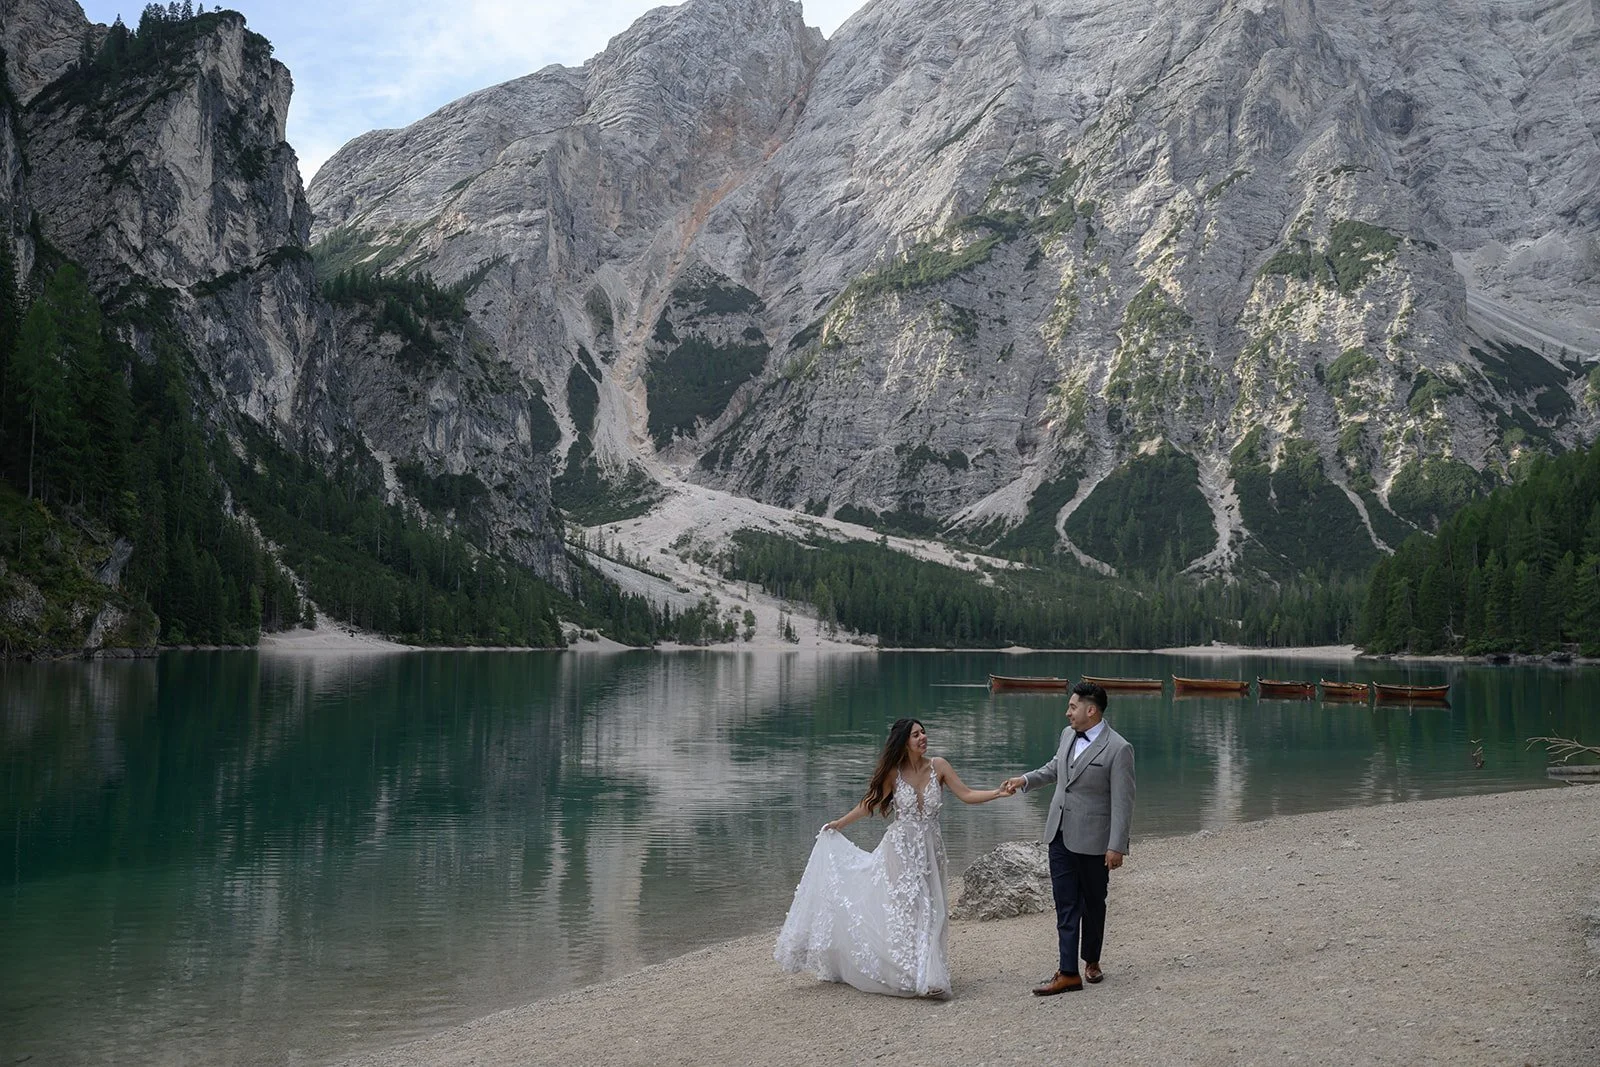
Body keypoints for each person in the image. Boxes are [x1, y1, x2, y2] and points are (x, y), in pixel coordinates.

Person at [775, 717, 1010, 998]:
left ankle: (930, 974)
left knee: (934, 911)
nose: (922, 737)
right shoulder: (894, 774)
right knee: (908, 910)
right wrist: (840, 823)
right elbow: (869, 804)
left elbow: (967, 794)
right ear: (904, 742)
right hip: (899, 849)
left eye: (923, 732)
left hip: (932, 851)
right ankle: (917, 976)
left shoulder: (940, 766)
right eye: (915, 735)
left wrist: (997, 792)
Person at [1003, 681, 1135, 995]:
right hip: (1059, 832)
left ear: (1091, 710)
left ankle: (1091, 959)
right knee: (1065, 904)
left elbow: (1123, 801)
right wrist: (1024, 780)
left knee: (1093, 903)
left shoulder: (1119, 748)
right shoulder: (1066, 736)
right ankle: (1067, 972)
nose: (1067, 713)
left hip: (1094, 840)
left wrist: (1117, 845)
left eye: (1072, 707)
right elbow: (1054, 769)